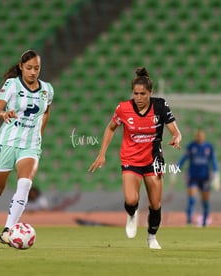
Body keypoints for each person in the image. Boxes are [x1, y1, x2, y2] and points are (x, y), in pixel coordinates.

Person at [88, 67, 182, 249]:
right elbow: (110, 128)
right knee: (131, 199)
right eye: (136, 93)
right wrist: (102, 153)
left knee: (155, 204)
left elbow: (175, 130)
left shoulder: (160, 106)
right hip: (130, 158)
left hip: (153, 159)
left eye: (143, 94)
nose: (138, 98)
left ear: (150, 93)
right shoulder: (123, 108)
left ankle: (151, 237)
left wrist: (176, 138)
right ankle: (132, 214)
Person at [0, 50, 54, 245]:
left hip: (30, 147)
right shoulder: (12, 85)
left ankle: (8, 230)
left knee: (25, 183)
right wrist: (3, 114)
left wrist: (39, 135)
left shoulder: (47, 89)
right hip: (7, 143)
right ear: (21, 67)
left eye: (37, 68)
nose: (33, 72)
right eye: (29, 68)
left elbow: (45, 112)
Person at [177, 129, 219, 227]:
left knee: (205, 201)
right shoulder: (191, 146)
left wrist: (216, 174)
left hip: (205, 177)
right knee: (192, 199)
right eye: (197, 135)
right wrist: (175, 170)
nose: (199, 137)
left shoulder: (208, 147)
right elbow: (183, 159)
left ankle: (204, 222)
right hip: (193, 177)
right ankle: (189, 221)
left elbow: (213, 161)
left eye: (200, 135)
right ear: (195, 136)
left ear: (203, 136)